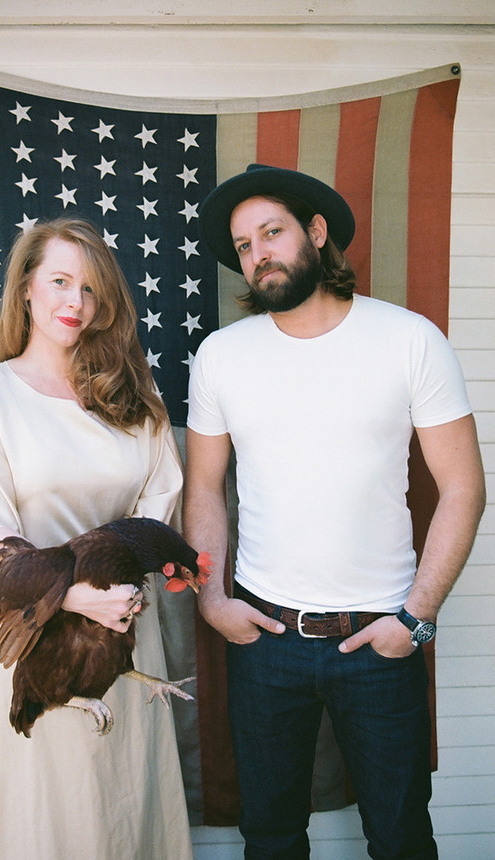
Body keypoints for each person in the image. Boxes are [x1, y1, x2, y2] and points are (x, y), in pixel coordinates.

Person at [183, 164, 486, 860]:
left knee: (402, 839)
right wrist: (213, 600)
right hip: (263, 641)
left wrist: (416, 616)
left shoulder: (409, 340)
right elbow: (204, 488)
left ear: (316, 233)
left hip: (380, 639)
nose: (258, 252)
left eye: (272, 231)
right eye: (244, 243)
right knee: (272, 839)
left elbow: (464, 485)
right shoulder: (222, 357)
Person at [0, 218, 194, 860]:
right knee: (34, 812)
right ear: (25, 288)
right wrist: (76, 598)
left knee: (118, 801)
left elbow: (158, 516)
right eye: (58, 281)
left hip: (121, 630)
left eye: (89, 288)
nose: (74, 303)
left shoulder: (135, 400)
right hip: (27, 634)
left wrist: (119, 599)